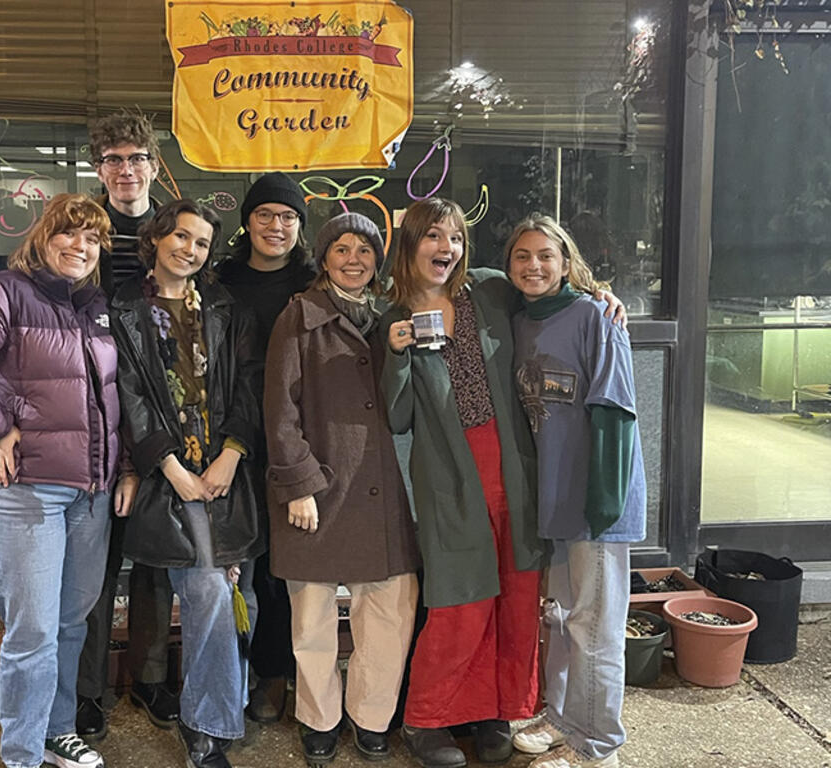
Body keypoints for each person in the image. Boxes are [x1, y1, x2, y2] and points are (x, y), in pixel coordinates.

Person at [382, 198, 625, 768]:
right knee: (459, 604)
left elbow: (550, 293)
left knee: (518, 600)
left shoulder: (488, 291)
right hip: (451, 482)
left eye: (457, 238)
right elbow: (396, 418)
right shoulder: (389, 315)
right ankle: (427, 717)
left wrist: (600, 297)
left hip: (517, 473)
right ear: (411, 244)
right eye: (433, 237)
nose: (447, 249)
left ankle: (495, 709)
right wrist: (395, 357)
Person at [0, 193, 133, 768]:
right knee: (32, 630)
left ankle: (56, 731)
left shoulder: (96, 308)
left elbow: (113, 397)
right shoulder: (0, 294)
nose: (80, 247)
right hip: (30, 489)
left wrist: (124, 466)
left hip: (92, 492)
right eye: (69, 233)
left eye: (92, 239)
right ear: (42, 236)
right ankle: (21, 754)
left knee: (69, 623)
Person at [109, 199, 264, 768]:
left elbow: (249, 385)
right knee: (206, 591)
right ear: (155, 239)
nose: (190, 249)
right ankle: (207, 729)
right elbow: (129, 398)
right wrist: (172, 468)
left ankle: (227, 701)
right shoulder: (123, 308)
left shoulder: (225, 306)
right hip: (167, 475)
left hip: (228, 472)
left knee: (238, 595)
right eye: (180, 236)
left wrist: (230, 455)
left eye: (201, 242)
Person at [263, 213, 420, 765]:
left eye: (365, 250)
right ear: (324, 257)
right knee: (311, 618)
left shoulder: (391, 319)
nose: (354, 259)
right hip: (319, 487)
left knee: (390, 608)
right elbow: (280, 411)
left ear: (379, 261)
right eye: (342, 249)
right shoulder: (298, 317)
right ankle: (320, 718)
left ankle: (371, 717)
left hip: (381, 490)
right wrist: (299, 485)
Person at [506, 215, 646, 768]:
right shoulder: (520, 319)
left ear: (568, 263)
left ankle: (597, 748)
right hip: (555, 500)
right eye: (522, 256)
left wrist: (604, 503)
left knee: (596, 627)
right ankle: (563, 719)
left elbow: (615, 410)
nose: (534, 265)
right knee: (563, 618)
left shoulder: (595, 317)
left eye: (546, 255)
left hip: (595, 502)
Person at [78, 110, 179, 741]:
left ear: (153, 164)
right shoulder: (80, 228)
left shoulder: (173, 229)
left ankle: (148, 677)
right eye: (113, 159)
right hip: (92, 416)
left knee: (156, 564)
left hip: (160, 417)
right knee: (95, 569)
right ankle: (88, 690)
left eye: (136, 157)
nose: (125, 170)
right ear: (99, 169)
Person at [215, 172, 315, 723]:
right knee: (249, 567)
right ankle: (260, 673)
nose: (276, 227)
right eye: (265, 215)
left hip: (298, 438)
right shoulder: (220, 282)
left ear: (299, 226)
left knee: (290, 567)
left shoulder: (315, 282)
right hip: (235, 438)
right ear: (247, 222)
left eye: (288, 217)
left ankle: (289, 671)